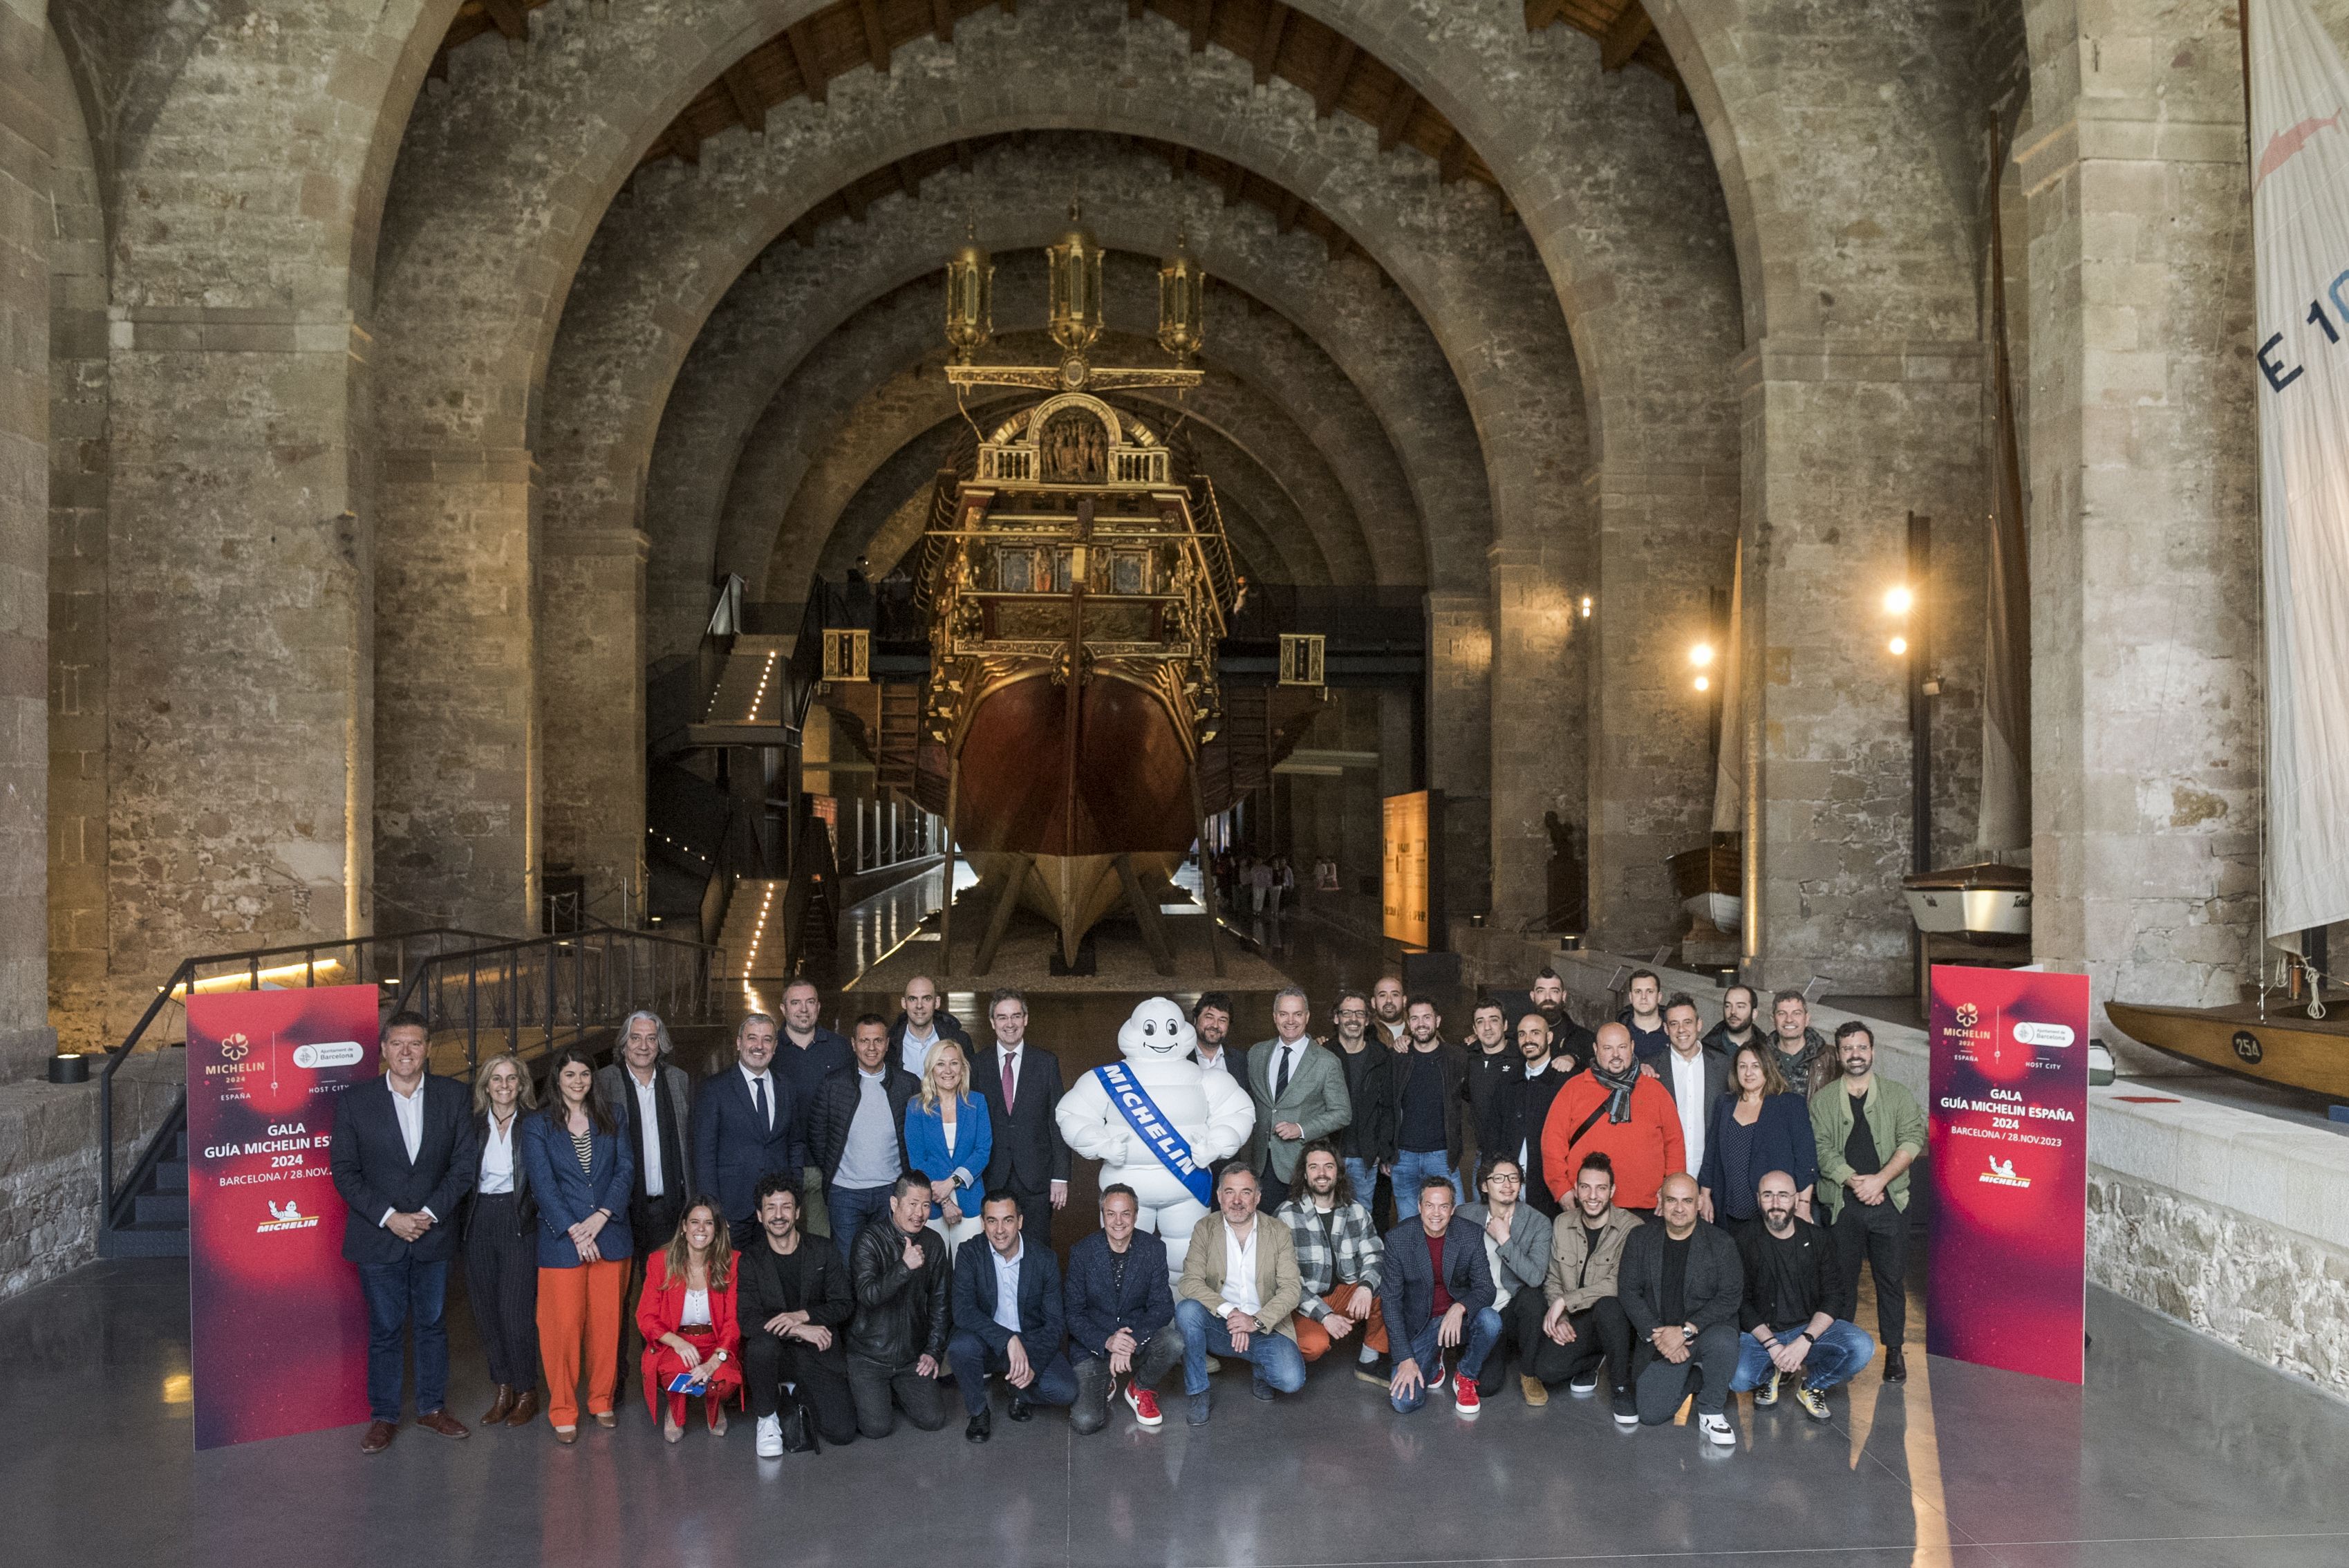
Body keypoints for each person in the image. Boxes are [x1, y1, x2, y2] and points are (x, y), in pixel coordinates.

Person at [330, 1009, 480, 1454]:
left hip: (433, 1234)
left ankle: (433, 1408)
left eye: (415, 1043)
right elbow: (344, 1171)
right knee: (385, 1328)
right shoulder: (356, 1102)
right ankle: (384, 1417)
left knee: (433, 1324)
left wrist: (429, 1213)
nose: (407, 1052)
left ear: (428, 1049)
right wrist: (391, 1217)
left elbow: (464, 1165)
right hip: (379, 1237)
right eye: (397, 1043)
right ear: (383, 1050)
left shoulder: (454, 1096)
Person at [521, 1044, 635, 1442]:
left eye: (585, 1074)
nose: (578, 1082)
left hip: (611, 1236)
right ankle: (563, 1408)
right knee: (563, 1327)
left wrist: (601, 1217)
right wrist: (575, 1229)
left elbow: (625, 1169)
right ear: (557, 1079)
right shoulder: (537, 1124)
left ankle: (601, 1400)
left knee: (606, 1327)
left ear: (594, 1079)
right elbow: (542, 1184)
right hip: (561, 1241)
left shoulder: (613, 1116)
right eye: (569, 1075)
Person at [1809, 1020, 1925, 1382]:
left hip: (1889, 1202)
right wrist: (1853, 1180)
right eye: (1847, 1049)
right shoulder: (1824, 1100)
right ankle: (1842, 1350)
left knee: (1890, 1280)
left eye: (1861, 1048)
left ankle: (1894, 1352)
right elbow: (1822, 1149)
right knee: (1841, 1283)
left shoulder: (1898, 1095)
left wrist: (1880, 1180)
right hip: (1844, 1204)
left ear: (1873, 1051)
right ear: (1839, 1053)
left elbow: (1912, 1138)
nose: (1855, 1055)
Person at [592, 1009, 695, 1363]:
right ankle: (613, 1383)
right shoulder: (603, 1081)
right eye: (635, 1038)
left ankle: (662, 1375)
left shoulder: (678, 1080)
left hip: (668, 1208)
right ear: (623, 1044)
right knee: (616, 1300)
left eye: (651, 1038)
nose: (644, 1045)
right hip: (619, 1210)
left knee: (665, 1299)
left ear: (660, 1044)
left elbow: (687, 1143)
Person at [1731, 1169, 1875, 1418]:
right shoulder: (1743, 1240)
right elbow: (1740, 1302)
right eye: (1768, 1195)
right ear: (1758, 1199)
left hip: (1806, 1330)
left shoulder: (1819, 1239)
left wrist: (1805, 1341)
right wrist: (1773, 1346)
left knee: (1862, 1347)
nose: (1776, 1204)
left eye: (1783, 1196)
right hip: (1762, 1334)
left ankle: (1813, 1386)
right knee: (1738, 1379)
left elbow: (1834, 1296)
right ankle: (1771, 1373)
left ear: (1797, 1199)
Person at [1171, 1167, 1307, 1425]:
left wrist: (1254, 1321)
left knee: (1291, 1380)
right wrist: (1231, 1313)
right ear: (1220, 1196)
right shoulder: (1205, 1228)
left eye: (1245, 1192)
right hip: (1220, 1326)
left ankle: (1261, 1371)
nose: (1237, 1201)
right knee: (1187, 1310)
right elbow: (1190, 1282)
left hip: (1266, 1328)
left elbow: (1291, 1290)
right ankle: (1199, 1391)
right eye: (1230, 1192)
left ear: (1257, 1197)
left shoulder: (1278, 1231)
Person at [736, 1175, 859, 1455]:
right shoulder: (751, 1260)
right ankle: (767, 1417)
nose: (779, 1215)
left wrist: (804, 1314)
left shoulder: (823, 1250)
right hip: (775, 1354)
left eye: (786, 1207)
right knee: (761, 1346)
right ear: (759, 1215)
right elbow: (748, 1320)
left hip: (817, 1352)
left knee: (842, 1433)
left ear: (798, 1212)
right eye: (771, 1208)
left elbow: (844, 1303)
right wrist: (799, 1328)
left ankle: (793, 1392)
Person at [1618, 1173, 1743, 1446]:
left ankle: (1711, 1411)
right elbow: (1627, 1291)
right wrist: (1659, 1337)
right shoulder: (1640, 1238)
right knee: (1651, 1414)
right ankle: (1697, 1377)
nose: (1679, 1208)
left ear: (1699, 1203)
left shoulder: (1721, 1243)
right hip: (1661, 1338)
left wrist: (1685, 1331)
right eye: (1671, 1200)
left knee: (1724, 1339)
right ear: (1659, 1201)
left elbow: (1730, 1297)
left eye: (1687, 1201)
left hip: (1704, 1333)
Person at [948, 1192, 1079, 1441]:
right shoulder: (969, 1252)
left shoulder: (1044, 1258)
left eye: (1007, 1220)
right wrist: (1007, 1339)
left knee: (1066, 1390)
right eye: (992, 1221)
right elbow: (963, 1310)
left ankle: (1017, 1389)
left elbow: (1054, 1323)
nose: (999, 1230)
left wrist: (1034, 1366)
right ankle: (978, 1411)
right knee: (960, 1347)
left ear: (1020, 1221)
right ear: (983, 1223)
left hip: (1029, 1342)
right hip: (987, 1339)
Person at [1064, 1184, 1184, 1434]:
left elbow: (1163, 1306)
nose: (1118, 1221)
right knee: (1086, 1422)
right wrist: (1108, 1342)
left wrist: (1131, 1340)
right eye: (1111, 1214)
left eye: (1125, 1214)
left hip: (1135, 1339)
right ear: (1102, 1215)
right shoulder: (1082, 1252)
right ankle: (1105, 1381)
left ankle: (1139, 1387)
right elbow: (1073, 1313)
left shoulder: (1153, 1249)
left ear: (1136, 1215)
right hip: (1094, 1347)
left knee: (1174, 1343)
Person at [1378, 1175, 1501, 1415]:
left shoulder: (1470, 1234)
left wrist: (1459, 1308)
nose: (1436, 1213)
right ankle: (1434, 1361)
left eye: (1443, 1206)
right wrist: (1404, 1357)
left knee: (1491, 1321)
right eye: (1430, 1205)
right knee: (1403, 1402)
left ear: (1453, 1209)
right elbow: (1391, 1302)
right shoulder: (1398, 1239)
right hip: (1422, 1325)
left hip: (1458, 1320)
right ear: (1419, 1207)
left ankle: (1465, 1375)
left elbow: (1486, 1289)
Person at [461, 1052, 540, 1430]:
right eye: (497, 1079)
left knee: (516, 1314)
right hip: (478, 1221)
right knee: (487, 1313)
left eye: (511, 1079)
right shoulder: (472, 1124)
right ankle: (503, 1388)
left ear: (522, 1085)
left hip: (519, 1219)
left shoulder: (535, 1124)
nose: (504, 1086)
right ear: (486, 1085)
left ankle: (527, 1390)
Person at [1536, 1151, 1643, 1421]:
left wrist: (1565, 1301)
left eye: (1601, 1188)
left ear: (1612, 1191)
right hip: (1579, 1320)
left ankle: (1620, 1387)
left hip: (1616, 1321)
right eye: (1585, 1187)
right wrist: (1560, 1313)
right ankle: (1596, 1359)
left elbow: (1620, 1284)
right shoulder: (1562, 1223)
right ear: (1576, 1189)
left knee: (1609, 1307)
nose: (1592, 1196)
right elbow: (1553, 1278)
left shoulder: (1632, 1228)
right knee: (1547, 1371)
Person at [845, 1173, 952, 1438]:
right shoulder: (868, 1239)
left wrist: (933, 1352)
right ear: (894, 1203)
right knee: (877, 1428)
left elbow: (941, 1303)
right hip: (869, 1356)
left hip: (909, 1357)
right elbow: (867, 1295)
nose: (920, 1213)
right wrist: (904, 1267)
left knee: (934, 1419)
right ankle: (874, 1390)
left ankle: (894, 1391)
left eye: (926, 1205)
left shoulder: (933, 1243)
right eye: (912, 1204)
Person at [1272, 1142, 1389, 1381]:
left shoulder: (1356, 1212)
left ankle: (1368, 1362)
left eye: (1328, 1166)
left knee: (1388, 1287)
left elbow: (1374, 1255)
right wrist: (1325, 1316)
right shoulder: (1286, 1216)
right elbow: (1284, 1282)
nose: (1322, 1173)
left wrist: (1366, 1288)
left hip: (1344, 1295)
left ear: (1338, 1172)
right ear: (1305, 1174)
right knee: (1313, 1346)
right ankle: (1281, 1350)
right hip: (1302, 1302)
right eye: (1314, 1167)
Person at [1540, 1022, 1684, 1212]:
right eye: (1608, 1048)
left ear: (1632, 1047)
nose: (1616, 1055)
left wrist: (1671, 1191)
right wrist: (1561, 1189)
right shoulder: (1574, 1088)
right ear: (1596, 1049)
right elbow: (1552, 1144)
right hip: (1589, 1205)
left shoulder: (1655, 1090)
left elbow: (1675, 1144)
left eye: (1622, 1047)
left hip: (1646, 1206)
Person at [811, 1013, 919, 1259]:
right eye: (864, 1041)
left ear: (887, 1043)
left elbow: (918, 1136)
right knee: (848, 1264)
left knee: (890, 1262)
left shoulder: (908, 1085)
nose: (871, 1048)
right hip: (845, 1193)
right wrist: (838, 1172)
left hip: (892, 1192)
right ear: (853, 1044)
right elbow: (818, 1135)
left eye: (878, 1041)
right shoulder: (833, 1085)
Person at [634, 1200, 742, 1440]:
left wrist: (716, 1359)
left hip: (715, 1343)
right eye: (694, 1222)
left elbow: (733, 1321)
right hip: (677, 1342)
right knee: (674, 1370)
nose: (701, 1229)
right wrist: (678, 1343)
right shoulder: (659, 1261)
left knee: (724, 1381)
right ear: (684, 1227)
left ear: (717, 1230)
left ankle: (714, 1404)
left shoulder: (732, 1262)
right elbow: (645, 1316)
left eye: (708, 1223)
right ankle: (676, 1408)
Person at [974, 987, 1070, 1247]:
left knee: (1037, 1248)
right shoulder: (977, 1064)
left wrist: (1060, 1176)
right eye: (1002, 1017)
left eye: (1016, 1016)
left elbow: (1057, 1121)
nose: (1010, 1024)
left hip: (1037, 1177)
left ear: (1026, 1019)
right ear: (992, 1022)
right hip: (993, 1175)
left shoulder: (1046, 1063)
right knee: (995, 1248)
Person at [1455, 1157, 1554, 1406]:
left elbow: (1535, 1277)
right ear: (1484, 1186)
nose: (1507, 1184)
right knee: (1487, 1387)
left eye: (1513, 1178)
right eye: (1498, 1178)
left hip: (1512, 1307)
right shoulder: (1465, 1215)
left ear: (1520, 1185)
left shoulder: (1538, 1222)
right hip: (1480, 1309)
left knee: (1534, 1300)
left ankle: (1529, 1373)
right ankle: (1482, 1348)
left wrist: (1504, 1240)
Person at [1244, 987, 1352, 1209]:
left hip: (1303, 1164)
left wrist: (1301, 1128)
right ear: (1275, 1017)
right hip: (1261, 1163)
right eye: (1284, 1014)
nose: (1290, 1021)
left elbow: (1342, 1113)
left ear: (1307, 1017)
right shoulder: (1256, 1053)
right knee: (1266, 1231)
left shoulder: (1326, 1061)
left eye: (1297, 1014)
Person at [691, 1011, 797, 1233]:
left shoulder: (786, 1087)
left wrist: (794, 1193)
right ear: (739, 1043)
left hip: (776, 1209)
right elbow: (704, 1155)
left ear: (775, 1046)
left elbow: (795, 1144)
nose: (759, 1046)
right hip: (731, 1209)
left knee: (772, 1268)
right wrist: (712, 1210)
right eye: (752, 1038)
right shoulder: (714, 1089)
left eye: (767, 1039)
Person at [1698, 1043, 1817, 1225]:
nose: (1748, 1073)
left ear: (1767, 1068)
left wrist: (1803, 1204)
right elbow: (1711, 1154)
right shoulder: (1724, 1103)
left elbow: (1806, 1159)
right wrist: (1705, 1196)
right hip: (1727, 1207)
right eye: (1742, 1066)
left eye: (1756, 1066)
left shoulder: (1789, 1104)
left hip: (1771, 1209)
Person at [776, 977, 853, 1235]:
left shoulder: (840, 1049)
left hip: (829, 1167)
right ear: (783, 1009)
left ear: (819, 1007)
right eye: (795, 1003)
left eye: (810, 1002)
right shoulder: (769, 1050)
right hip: (782, 1167)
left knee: (822, 1243)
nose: (804, 1009)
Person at [904, 1037, 991, 1251]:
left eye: (954, 1063)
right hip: (930, 1205)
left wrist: (951, 1183)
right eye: (940, 1064)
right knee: (933, 1274)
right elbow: (917, 1159)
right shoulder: (916, 1106)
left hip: (969, 1201)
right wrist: (944, 1200)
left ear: (963, 1068)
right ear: (931, 1070)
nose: (948, 1070)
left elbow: (983, 1151)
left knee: (967, 1271)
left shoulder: (977, 1102)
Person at [1643, 993, 1731, 1195]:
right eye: (1674, 1024)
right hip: (1665, 1180)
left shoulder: (1724, 1066)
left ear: (1699, 1024)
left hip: (1713, 1181)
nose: (1681, 1030)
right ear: (1666, 1029)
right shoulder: (1650, 1069)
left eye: (1687, 1022)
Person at [1387, 996, 1467, 1206]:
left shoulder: (1456, 1058)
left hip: (1442, 1156)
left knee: (1455, 1221)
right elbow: (1384, 1107)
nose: (1421, 1024)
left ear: (1438, 1021)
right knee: (1408, 1225)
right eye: (1414, 1018)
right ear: (1408, 1023)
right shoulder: (1396, 1058)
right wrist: (1387, 1152)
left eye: (1426, 1017)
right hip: (1404, 1158)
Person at [1493, 1011, 1574, 1219]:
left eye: (1535, 1033)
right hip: (1512, 1185)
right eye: (1522, 1034)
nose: (1528, 1040)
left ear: (1549, 1037)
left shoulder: (1566, 1081)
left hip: (1550, 1187)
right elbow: (1496, 1133)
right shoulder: (1508, 1081)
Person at [1327, 989, 1396, 1222]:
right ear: (1337, 1018)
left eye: (1359, 1014)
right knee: (1328, 1217)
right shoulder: (1323, 1055)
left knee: (1361, 1219)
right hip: (1329, 1156)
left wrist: (1383, 1151)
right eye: (1347, 1013)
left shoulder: (1381, 1057)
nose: (1353, 1019)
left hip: (1366, 1158)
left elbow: (1389, 1109)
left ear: (1367, 1020)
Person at [1461, 999, 1521, 1173]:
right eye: (1481, 1022)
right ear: (1474, 1029)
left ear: (1505, 1025)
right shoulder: (1467, 1058)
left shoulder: (1521, 1059)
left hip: (1515, 1155)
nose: (1487, 1027)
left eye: (1494, 1020)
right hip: (1483, 1156)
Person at [890, 974, 970, 1081]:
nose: (919, 1005)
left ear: (937, 1002)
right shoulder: (890, 1044)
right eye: (913, 999)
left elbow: (969, 1083)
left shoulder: (960, 1040)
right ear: (904, 1003)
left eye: (926, 999)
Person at [1527, 967, 1595, 1074]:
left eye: (1554, 991)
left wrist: (1574, 1059)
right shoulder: (1518, 1039)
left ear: (1563, 996)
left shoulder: (1586, 1039)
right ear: (1533, 996)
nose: (1548, 997)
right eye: (1541, 991)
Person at [1769, 990, 1835, 1096]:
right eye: (1782, 1014)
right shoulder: (1760, 1056)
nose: (1789, 1020)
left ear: (1807, 1019)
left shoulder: (1829, 1056)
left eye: (1796, 1013)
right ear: (1773, 1019)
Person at [1703, 982, 1763, 1056]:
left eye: (1740, 1006)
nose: (1733, 1012)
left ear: (1754, 1014)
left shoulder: (1767, 1048)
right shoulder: (1706, 1049)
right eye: (1728, 1006)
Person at [1190, 991, 1239, 1079]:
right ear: (1195, 1019)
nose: (1215, 1025)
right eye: (1209, 1017)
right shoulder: (1181, 1058)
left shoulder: (1241, 1061)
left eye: (1222, 1020)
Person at [1618, 969, 1667, 1058]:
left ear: (1659, 997)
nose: (1643, 997)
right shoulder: (1618, 1032)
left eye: (1650, 991)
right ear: (1630, 997)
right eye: (1638, 992)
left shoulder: (1674, 1031)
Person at [1369, 974, 1408, 1049]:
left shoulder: (1420, 1028)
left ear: (1404, 1001)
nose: (1389, 1000)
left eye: (1395, 995)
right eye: (1382, 995)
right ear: (1374, 1002)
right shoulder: (1364, 1033)